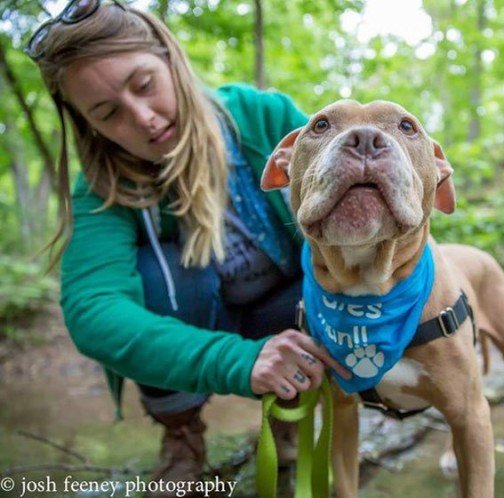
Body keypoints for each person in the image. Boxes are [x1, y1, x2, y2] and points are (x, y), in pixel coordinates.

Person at [27, 1, 350, 495]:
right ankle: (182, 436)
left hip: (285, 308)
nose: (144, 118)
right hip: (198, 322)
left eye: (144, 85)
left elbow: (346, 205)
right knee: (160, 278)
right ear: (88, 124)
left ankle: (291, 414)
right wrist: (237, 361)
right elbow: (95, 311)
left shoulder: (263, 119)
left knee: (318, 282)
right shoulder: (102, 189)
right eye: (109, 113)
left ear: (170, 59)